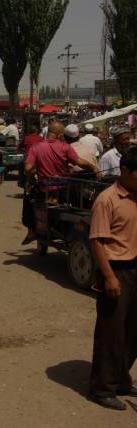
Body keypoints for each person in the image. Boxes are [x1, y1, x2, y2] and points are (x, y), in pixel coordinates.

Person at [88, 147, 137, 411]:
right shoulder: (107, 199)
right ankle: (102, 388)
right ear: (125, 171)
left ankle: (121, 378)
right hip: (117, 270)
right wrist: (109, 277)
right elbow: (96, 241)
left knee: (133, 332)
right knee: (111, 332)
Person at [22, 122, 101, 244]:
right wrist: (94, 167)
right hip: (65, 190)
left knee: (28, 200)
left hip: (45, 190)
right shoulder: (65, 147)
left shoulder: (36, 147)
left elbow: (27, 168)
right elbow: (80, 162)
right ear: (58, 134)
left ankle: (32, 230)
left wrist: (30, 179)